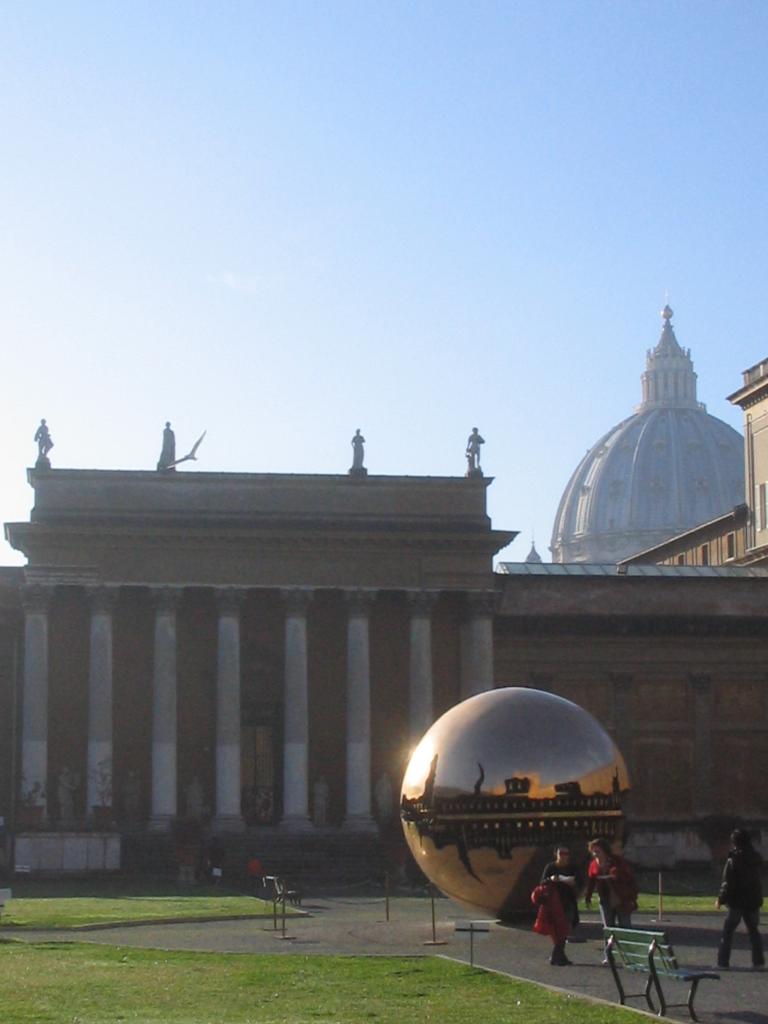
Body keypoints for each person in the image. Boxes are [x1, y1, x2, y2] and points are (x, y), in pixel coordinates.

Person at [716, 828, 765, 970]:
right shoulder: (755, 858)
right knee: (754, 932)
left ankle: (723, 962)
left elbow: (727, 883)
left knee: (728, 932)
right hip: (752, 900)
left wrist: (721, 899)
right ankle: (758, 962)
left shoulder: (733, 860)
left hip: (736, 901)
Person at [584, 837, 637, 930]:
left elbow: (627, 876)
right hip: (605, 898)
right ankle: (609, 944)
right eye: (593, 852)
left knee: (625, 927)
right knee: (608, 928)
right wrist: (588, 897)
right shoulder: (593, 864)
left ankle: (625, 944)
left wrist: (615, 875)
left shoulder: (616, 860)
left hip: (621, 897)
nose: (595, 854)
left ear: (604, 851)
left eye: (598, 851)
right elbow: (591, 881)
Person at [541, 845, 583, 942]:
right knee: (557, 922)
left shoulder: (572, 867)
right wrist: (550, 879)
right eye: (561, 853)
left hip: (569, 897)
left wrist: (574, 883)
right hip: (554, 898)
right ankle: (560, 941)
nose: (564, 856)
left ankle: (565, 936)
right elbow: (542, 882)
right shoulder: (551, 867)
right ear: (556, 854)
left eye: (566, 854)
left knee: (571, 918)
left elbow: (580, 881)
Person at [531, 877, 571, 965]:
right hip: (554, 917)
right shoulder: (550, 889)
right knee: (560, 939)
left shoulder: (543, 890)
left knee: (560, 939)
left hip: (554, 916)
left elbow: (535, 898)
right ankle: (556, 958)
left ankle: (561, 958)